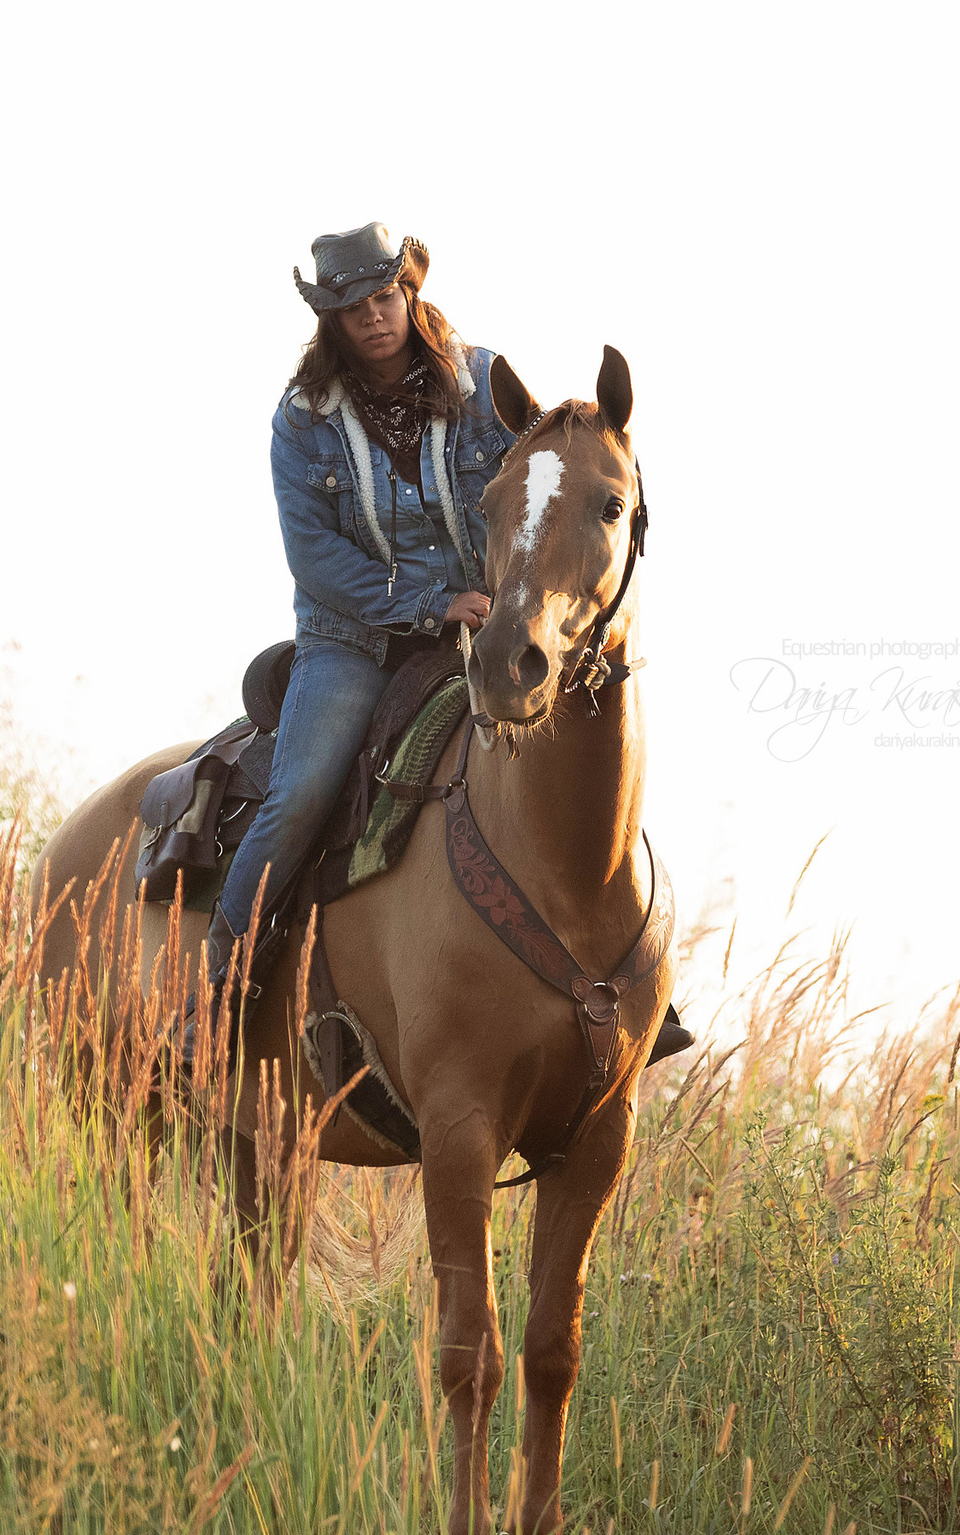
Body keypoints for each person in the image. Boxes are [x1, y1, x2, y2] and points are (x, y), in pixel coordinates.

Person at [182, 223, 690, 1068]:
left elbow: (539, 490)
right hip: (354, 640)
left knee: (587, 762)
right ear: (332, 321)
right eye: (355, 307)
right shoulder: (302, 422)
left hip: (483, 625)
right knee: (300, 792)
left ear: (410, 293)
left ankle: (638, 979)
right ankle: (218, 997)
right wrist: (430, 602)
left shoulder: (484, 380)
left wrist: (522, 602)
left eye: (386, 297)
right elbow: (316, 557)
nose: (375, 317)